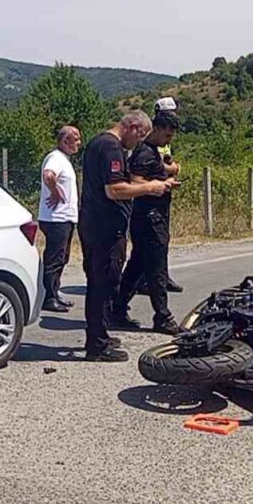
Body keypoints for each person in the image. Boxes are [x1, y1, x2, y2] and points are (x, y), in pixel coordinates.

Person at [79, 111, 177, 362]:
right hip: (105, 229)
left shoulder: (97, 143)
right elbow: (114, 190)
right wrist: (150, 187)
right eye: (140, 136)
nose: (138, 142)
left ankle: (99, 334)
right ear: (133, 127)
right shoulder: (111, 148)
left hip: (95, 224)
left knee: (101, 283)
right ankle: (97, 346)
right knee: (103, 284)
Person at [112, 110, 183, 334]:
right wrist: (160, 186)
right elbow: (136, 181)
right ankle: (162, 316)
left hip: (151, 217)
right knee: (157, 268)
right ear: (158, 130)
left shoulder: (152, 152)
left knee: (138, 266)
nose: (169, 140)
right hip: (150, 218)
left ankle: (118, 308)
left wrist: (166, 179)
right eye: (167, 135)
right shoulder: (144, 153)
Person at [38, 126, 82, 312]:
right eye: (76, 139)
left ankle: (54, 292)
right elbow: (48, 175)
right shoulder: (56, 158)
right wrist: (55, 192)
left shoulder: (63, 159)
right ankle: (48, 297)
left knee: (61, 257)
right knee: (54, 259)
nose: (79, 143)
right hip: (56, 218)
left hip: (64, 218)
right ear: (66, 141)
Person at [152, 96, 184, 294]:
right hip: (152, 190)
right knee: (156, 240)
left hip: (164, 187)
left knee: (163, 239)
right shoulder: (154, 132)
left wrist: (171, 167)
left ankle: (162, 276)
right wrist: (172, 168)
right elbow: (152, 164)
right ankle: (155, 279)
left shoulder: (166, 132)